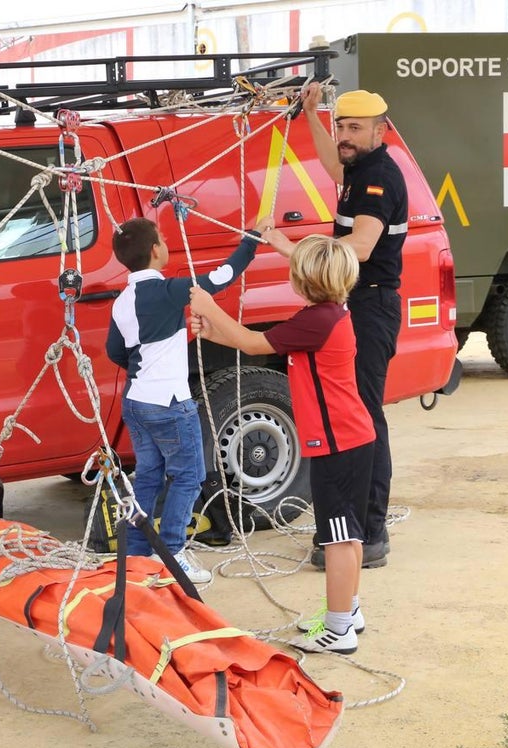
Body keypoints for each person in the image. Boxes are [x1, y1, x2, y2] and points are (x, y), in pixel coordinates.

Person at [190, 233, 374, 654]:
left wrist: (210, 306)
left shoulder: (317, 320)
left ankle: (340, 629)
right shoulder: (324, 315)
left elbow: (255, 343)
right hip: (347, 440)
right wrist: (215, 332)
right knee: (345, 535)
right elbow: (255, 341)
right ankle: (348, 611)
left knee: (338, 538)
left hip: (339, 444)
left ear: (304, 280)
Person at [260, 86, 407, 569]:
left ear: (379, 130)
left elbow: (360, 248)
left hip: (370, 307)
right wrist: (311, 116)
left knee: (363, 419)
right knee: (354, 415)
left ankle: (369, 534)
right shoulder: (358, 167)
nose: (344, 136)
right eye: (341, 126)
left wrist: (289, 248)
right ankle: (355, 530)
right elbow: (332, 163)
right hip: (355, 305)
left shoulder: (379, 178)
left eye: (353, 128)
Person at [105, 215, 270, 585]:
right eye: (162, 238)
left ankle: (136, 555)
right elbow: (222, 278)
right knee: (189, 476)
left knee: (147, 476)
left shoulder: (123, 300)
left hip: (137, 401)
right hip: (169, 402)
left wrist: (175, 339)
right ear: (155, 250)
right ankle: (174, 553)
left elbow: (118, 351)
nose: (165, 242)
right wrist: (253, 238)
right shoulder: (166, 291)